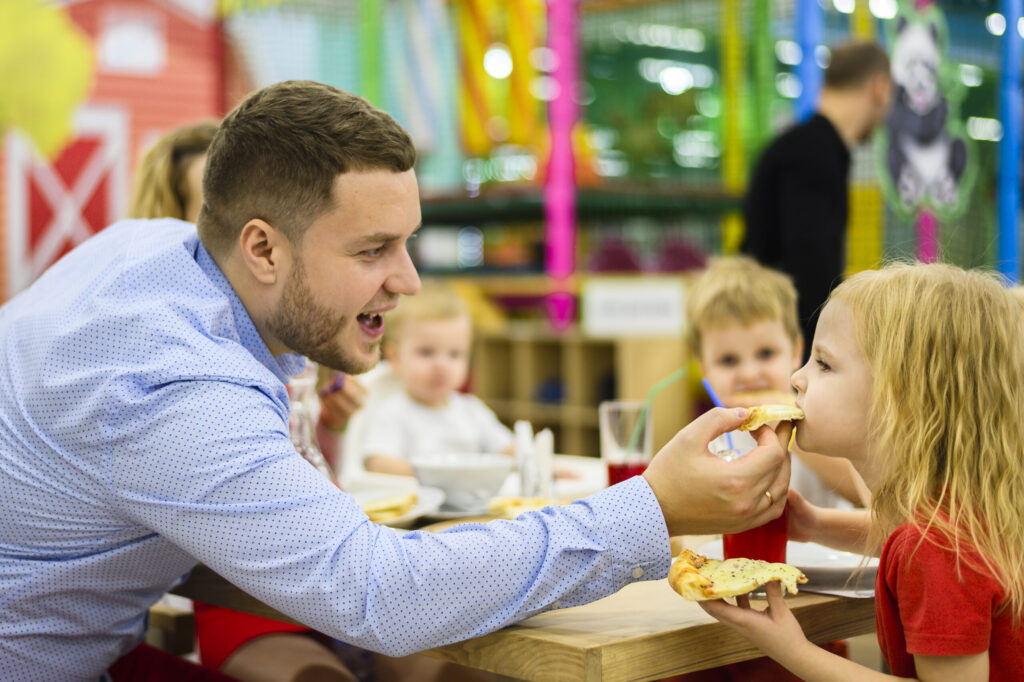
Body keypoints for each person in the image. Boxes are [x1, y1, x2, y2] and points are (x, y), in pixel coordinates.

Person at [0, 80, 792, 682]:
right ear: (264, 250)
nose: (408, 281)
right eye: (373, 250)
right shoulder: (174, 388)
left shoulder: (151, 252)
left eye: (407, 243)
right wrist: (652, 508)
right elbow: (380, 595)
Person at [701, 262, 1024, 680]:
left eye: (824, 364)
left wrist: (791, 649)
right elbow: (898, 537)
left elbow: (921, 553)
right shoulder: (960, 515)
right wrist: (814, 524)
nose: (797, 378)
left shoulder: (938, 550)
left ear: (901, 400)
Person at [742, 41, 892, 359]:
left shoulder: (799, 146)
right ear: (879, 88)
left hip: (768, 335)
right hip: (784, 346)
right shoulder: (814, 154)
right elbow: (810, 266)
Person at [685, 256, 863, 509]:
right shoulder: (706, 443)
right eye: (728, 360)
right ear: (704, 368)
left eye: (766, 354)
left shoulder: (820, 421)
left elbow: (861, 492)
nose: (748, 374)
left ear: (795, 351)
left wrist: (789, 419)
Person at [358, 284, 513, 476]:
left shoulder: (471, 410)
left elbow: (509, 450)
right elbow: (378, 463)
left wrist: (539, 463)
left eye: (454, 354)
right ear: (395, 358)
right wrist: (436, 476)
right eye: (427, 352)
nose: (441, 365)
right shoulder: (393, 413)